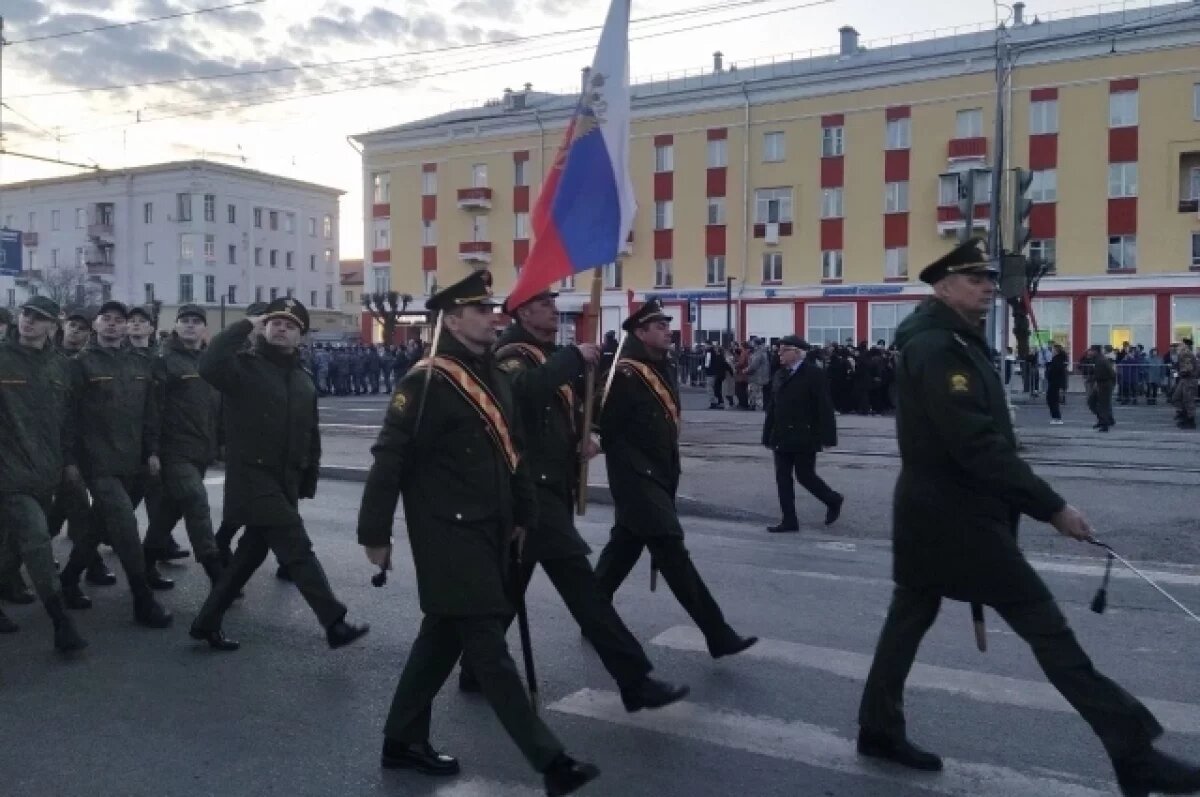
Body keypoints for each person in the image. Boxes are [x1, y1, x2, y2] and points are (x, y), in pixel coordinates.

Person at [855, 239, 1200, 796]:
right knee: (1049, 630)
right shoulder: (940, 348)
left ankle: (877, 727)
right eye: (975, 279)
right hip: (960, 521)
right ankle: (1133, 752)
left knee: (908, 619)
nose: (989, 286)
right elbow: (977, 444)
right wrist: (1052, 507)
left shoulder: (952, 341)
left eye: (990, 278)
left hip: (937, 514)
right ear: (943, 287)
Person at [356, 272, 599, 796]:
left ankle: (402, 740)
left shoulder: (492, 376)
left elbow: (513, 456)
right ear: (452, 319)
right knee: (489, 645)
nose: (494, 316)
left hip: (491, 530)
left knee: (440, 640)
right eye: (481, 310)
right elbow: (388, 461)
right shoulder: (425, 382)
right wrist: (375, 534)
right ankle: (551, 762)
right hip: (447, 534)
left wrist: (523, 516)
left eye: (493, 309)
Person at [457, 289, 689, 712]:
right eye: (545, 305)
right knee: (584, 590)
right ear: (525, 312)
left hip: (550, 486)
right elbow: (524, 394)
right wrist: (572, 359)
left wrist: (584, 436)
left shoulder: (549, 353)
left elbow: (568, 410)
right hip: (530, 488)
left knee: (510, 585)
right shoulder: (513, 354)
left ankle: (475, 666)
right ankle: (635, 680)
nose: (553, 310)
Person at [189, 298, 368, 651]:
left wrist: (308, 476)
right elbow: (209, 365)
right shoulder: (243, 367)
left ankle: (206, 622)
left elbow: (310, 432)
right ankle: (334, 622)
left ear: (300, 336)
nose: (281, 328)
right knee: (297, 546)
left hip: (285, 480)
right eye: (274, 323)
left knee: (248, 557)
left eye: (290, 325)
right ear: (263, 327)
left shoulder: (302, 379)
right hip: (252, 478)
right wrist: (244, 326)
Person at [593, 300, 757, 659]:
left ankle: (592, 615)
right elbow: (603, 423)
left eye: (667, 325)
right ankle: (718, 633)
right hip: (636, 478)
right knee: (672, 551)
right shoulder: (625, 374)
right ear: (640, 332)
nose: (668, 330)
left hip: (659, 473)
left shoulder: (661, 366)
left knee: (622, 550)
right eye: (659, 326)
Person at [56, 300, 173, 628]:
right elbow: (68, 418)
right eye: (105, 319)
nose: (112, 324)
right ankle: (142, 598)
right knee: (124, 523)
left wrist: (152, 451)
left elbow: (150, 413)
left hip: (133, 461)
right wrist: (69, 461)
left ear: (125, 327)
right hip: (98, 463)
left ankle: (67, 579)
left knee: (98, 526)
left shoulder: (140, 363)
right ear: (96, 325)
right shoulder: (80, 364)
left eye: (118, 320)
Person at [0, 297, 89, 650]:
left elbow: (67, 422)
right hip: (9, 472)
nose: (29, 322)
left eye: (38, 318)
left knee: (10, 545)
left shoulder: (60, 367)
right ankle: (60, 621)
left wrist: (68, 462)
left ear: (53, 326)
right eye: (25, 315)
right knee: (37, 538)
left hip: (46, 471)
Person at [142, 305, 226, 590]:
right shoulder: (164, 361)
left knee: (170, 510)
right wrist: (152, 450)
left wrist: (221, 445)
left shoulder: (208, 362)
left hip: (201, 451)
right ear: (176, 327)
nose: (190, 326)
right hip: (173, 450)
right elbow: (153, 408)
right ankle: (216, 572)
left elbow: (216, 408)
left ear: (205, 330)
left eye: (196, 322)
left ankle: (144, 564)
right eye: (184, 321)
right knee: (195, 500)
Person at [761, 335, 842, 534]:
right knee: (782, 477)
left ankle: (833, 499)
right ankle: (789, 520)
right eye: (779, 350)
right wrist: (767, 433)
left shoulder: (813, 374)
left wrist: (828, 437)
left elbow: (824, 406)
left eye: (784, 350)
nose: (779, 354)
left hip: (804, 434)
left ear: (797, 353)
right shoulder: (780, 374)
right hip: (780, 435)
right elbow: (773, 406)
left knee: (805, 476)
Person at [1087, 344, 1117, 432]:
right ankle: (1104, 420)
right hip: (1100, 383)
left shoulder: (1101, 360)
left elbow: (1110, 373)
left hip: (1104, 384)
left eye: (1091, 350)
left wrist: (1092, 379)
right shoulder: (1098, 359)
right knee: (1092, 402)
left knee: (1103, 405)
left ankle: (1105, 424)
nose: (1090, 352)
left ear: (1096, 351)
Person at [1045, 343, 1069, 424]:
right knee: (1051, 399)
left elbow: (1058, 369)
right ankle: (1055, 416)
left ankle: (1057, 417)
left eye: (1053, 349)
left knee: (1053, 400)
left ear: (1057, 350)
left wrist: (1050, 368)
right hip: (1053, 381)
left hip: (1056, 382)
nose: (1052, 351)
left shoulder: (1059, 359)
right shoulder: (1056, 358)